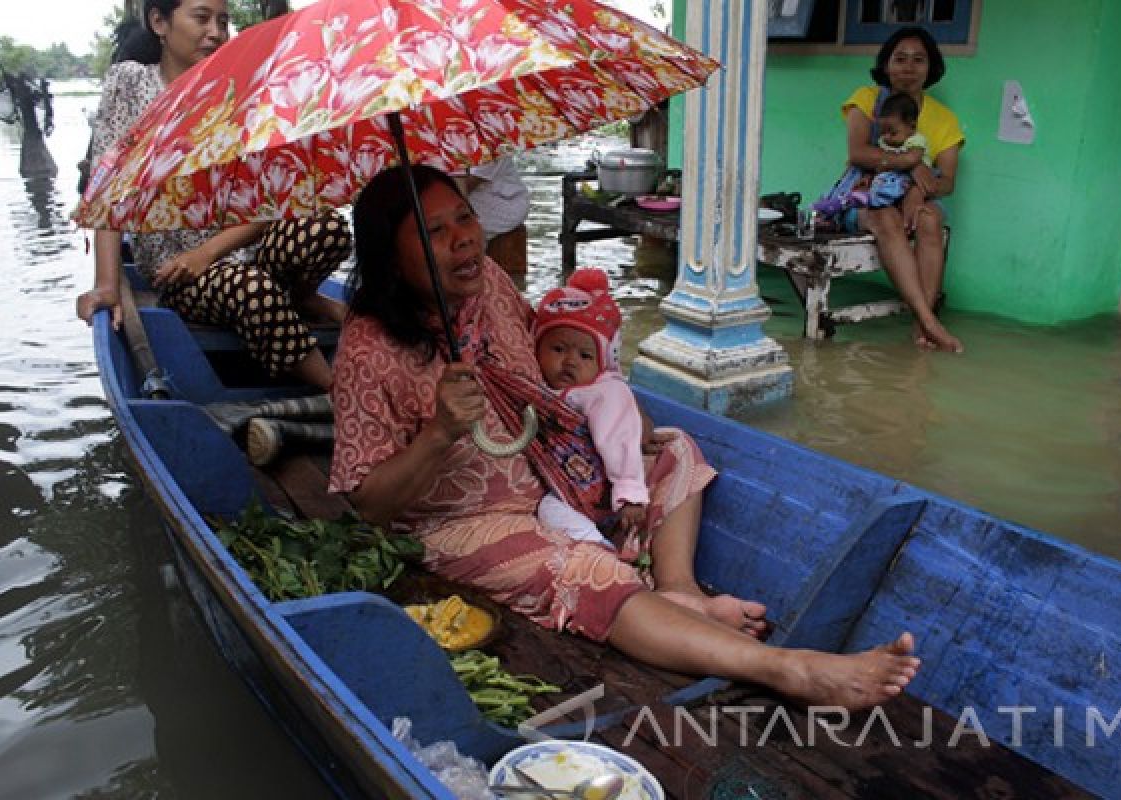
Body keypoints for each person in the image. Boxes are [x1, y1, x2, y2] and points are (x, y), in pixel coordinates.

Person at [329, 163, 922, 711]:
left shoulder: (484, 280)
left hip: (549, 469)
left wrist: (612, 398)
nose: (463, 238)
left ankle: (679, 590)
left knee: (670, 450)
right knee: (588, 573)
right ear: (390, 258)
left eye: (464, 216)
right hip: (463, 523)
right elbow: (368, 505)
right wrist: (439, 434)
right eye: (434, 231)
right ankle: (788, 669)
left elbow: (551, 361)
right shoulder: (368, 349)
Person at [75, 0, 351, 390]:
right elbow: (109, 190)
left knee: (327, 227)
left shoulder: (238, 91)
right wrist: (106, 284)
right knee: (251, 289)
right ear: (159, 22)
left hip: (237, 251)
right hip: (179, 271)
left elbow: (272, 201)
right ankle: (339, 393)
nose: (216, 33)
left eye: (223, 21)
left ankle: (302, 297)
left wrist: (208, 252)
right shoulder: (131, 84)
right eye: (202, 18)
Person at [840, 26, 965, 353]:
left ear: (931, 67)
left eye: (918, 60)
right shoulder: (866, 100)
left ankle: (920, 328)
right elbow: (858, 154)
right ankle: (930, 321)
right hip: (867, 192)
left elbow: (947, 181)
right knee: (885, 219)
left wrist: (917, 190)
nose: (908, 68)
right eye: (900, 59)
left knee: (929, 220)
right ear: (886, 64)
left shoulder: (944, 120)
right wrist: (910, 163)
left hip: (916, 198)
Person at [533, 269, 646, 549]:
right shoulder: (533, 385)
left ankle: (615, 549)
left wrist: (629, 492)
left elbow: (621, 440)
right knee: (547, 510)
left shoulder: (607, 392)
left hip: (609, 492)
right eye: (558, 349)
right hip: (564, 491)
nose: (570, 361)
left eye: (585, 355)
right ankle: (599, 548)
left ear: (603, 360)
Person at [815, 91, 928, 216]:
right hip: (885, 176)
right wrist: (868, 176)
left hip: (906, 178)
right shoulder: (885, 141)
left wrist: (885, 162)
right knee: (860, 179)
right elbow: (875, 163)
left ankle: (857, 200)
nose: (887, 137)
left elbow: (911, 159)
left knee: (890, 186)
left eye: (893, 133)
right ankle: (836, 204)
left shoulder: (916, 140)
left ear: (912, 126)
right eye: (883, 132)